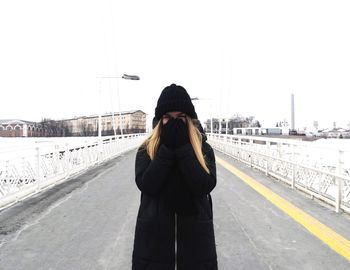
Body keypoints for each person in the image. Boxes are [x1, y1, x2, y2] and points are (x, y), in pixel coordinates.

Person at [132, 84, 218, 270]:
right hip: (154, 244)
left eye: (180, 118)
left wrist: (182, 149)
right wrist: (168, 150)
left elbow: (204, 185)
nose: (174, 123)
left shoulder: (203, 149)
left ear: (189, 119)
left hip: (196, 243)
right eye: (167, 118)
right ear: (159, 120)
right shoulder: (147, 150)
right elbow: (147, 185)